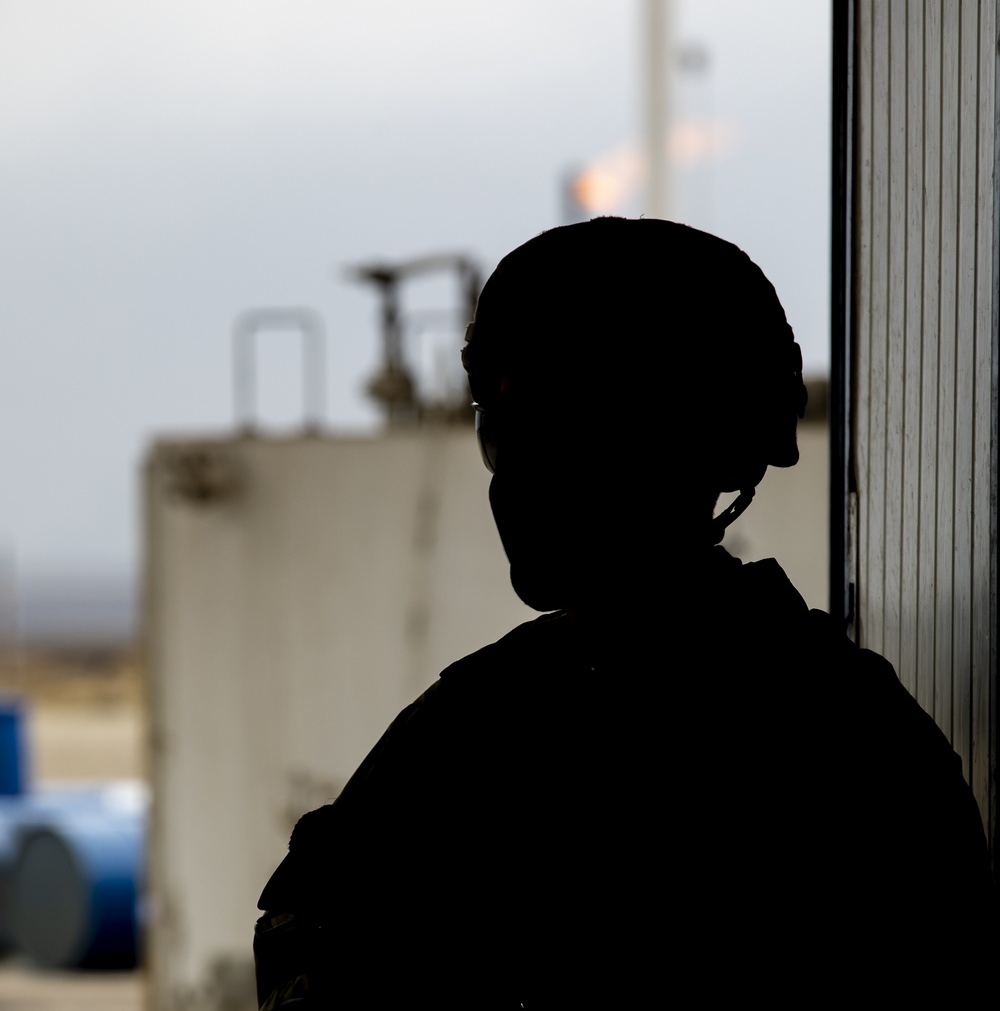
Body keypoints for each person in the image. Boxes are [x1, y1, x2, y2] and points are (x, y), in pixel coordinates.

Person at [255, 218, 994, 1007]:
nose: (518, 475)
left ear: (676, 447)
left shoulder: (844, 741)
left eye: (563, 430)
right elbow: (315, 936)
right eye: (503, 429)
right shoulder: (482, 717)